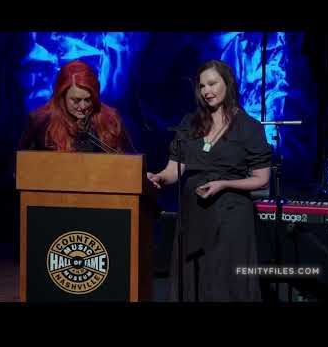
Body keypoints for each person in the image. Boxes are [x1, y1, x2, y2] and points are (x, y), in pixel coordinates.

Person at [147, 60, 272, 302]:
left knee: (224, 281)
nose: (207, 90)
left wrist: (224, 184)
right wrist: (160, 176)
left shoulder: (249, 128)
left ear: (228, 83)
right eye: (202, 86)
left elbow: (262, 179)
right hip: (194, 214)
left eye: (213, 83)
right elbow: (175, 168)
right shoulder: (191, 123)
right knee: (195, 278)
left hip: (231, 216)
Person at [18, 60, 134, 153]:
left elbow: (130, 162)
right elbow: (22, 168)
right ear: (62, 96)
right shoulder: (40, 121)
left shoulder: (111, 119)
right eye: (76, 100)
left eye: (88, 100)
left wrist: (143, 175)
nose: (83, 106)